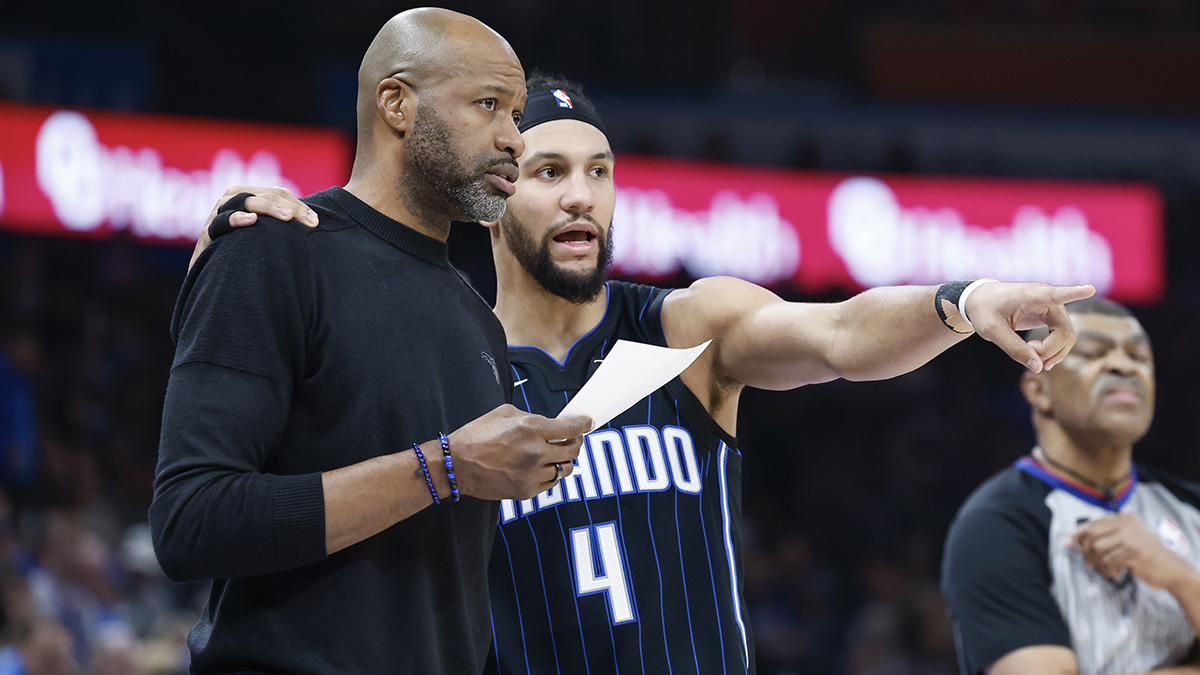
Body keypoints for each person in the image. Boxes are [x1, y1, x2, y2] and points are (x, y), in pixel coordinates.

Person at [200, 74, 1092, 674]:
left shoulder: (685, 329)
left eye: (599, 170)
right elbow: (265, 455)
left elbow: (840, 335)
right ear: (491, 198)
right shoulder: (435, 360)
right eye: (549, 171)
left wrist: (960, 300)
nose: (582, 194)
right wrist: (234, 245)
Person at [150, 10, 590, 675]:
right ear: (396, 104)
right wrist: (443, 466)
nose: (514, 140)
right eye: (489, 105)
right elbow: (191, 521)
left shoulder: (481, 327)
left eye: (517, 114)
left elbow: (450, 602)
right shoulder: (273, 250)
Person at [942, 298, 1200, 675]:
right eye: (1094, 352)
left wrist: (1179, 577)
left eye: (1140, 357)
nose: (1123, 366)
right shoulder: (993, 526)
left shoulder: (1191, 507)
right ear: (1037, 390)